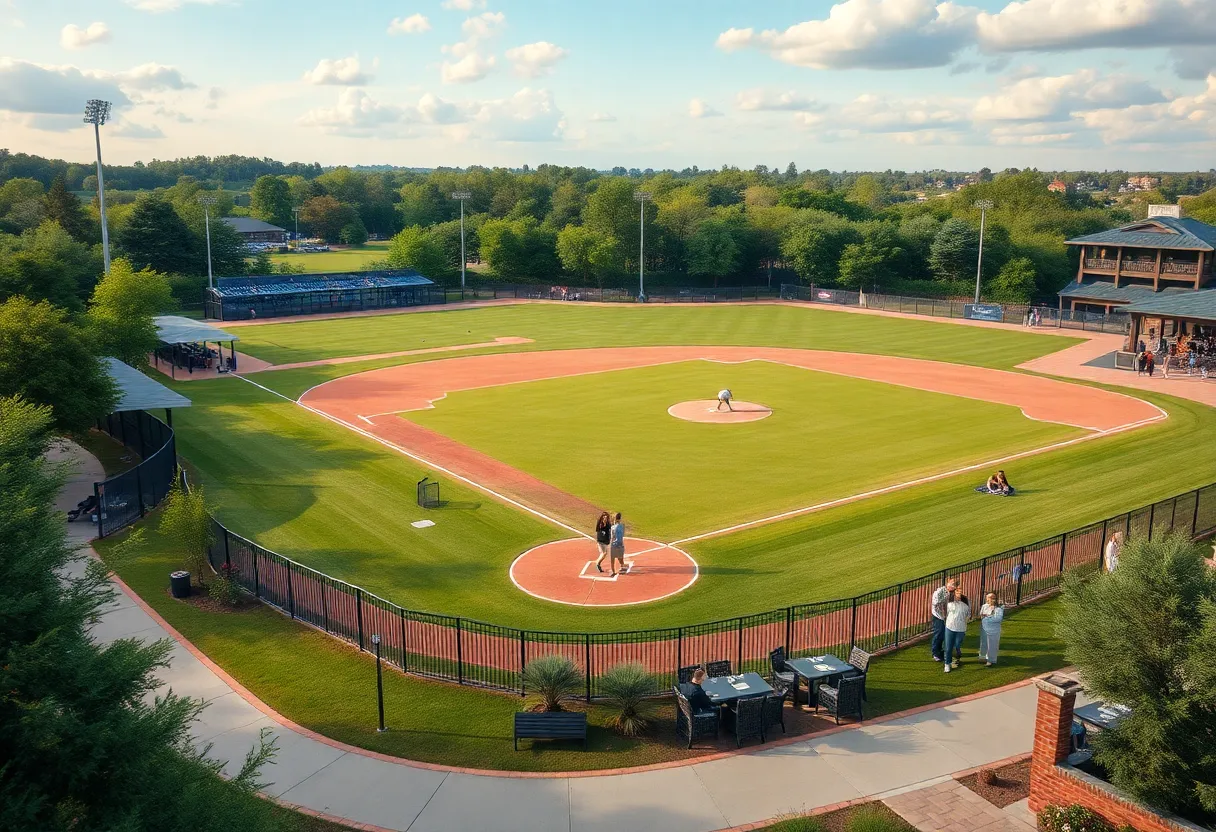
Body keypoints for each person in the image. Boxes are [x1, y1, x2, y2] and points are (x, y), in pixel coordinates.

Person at [930, 577, 958, 662]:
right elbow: (935, 603)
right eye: (952, 584)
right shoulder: (940, 592)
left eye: (955, 585)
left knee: (946, 635)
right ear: (947, 583)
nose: (953, 586)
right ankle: (935, 653)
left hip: (946, 615)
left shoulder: (952, 593)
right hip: (938, 615)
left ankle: (941, 651)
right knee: (939, 634)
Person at [943, 589, 970, 672]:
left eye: (960, 593)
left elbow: (968, 615)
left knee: (957, 645)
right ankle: (947, 664)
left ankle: (957, 657)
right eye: (957, 592)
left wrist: (965, 621)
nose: (958, 594)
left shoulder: (965, 605)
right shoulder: (950, 604)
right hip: (950, 627)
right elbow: (946, 613)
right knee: (948, 647)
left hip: (961, 628)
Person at [978, 592, 1004, 667]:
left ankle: (990, 660)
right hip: (984, 628)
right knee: (983, 643)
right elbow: (981, 615)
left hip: (994, 630)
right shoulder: (984, 606)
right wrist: (986, 617)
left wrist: (988, 616)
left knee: (992, 645)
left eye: (991, 598)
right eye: (988, 598)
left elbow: (998, 619)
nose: (989, 599)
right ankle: (982, 656)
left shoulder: (999, 609)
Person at [609, 512, 626, 577]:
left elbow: (612, 536)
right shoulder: (622, 526)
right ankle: (622, 566)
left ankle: (613, 571)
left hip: (614, 545)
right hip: (621, 544)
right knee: (620, 558)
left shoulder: (613, 527)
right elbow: (622, 534)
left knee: (612, 559)